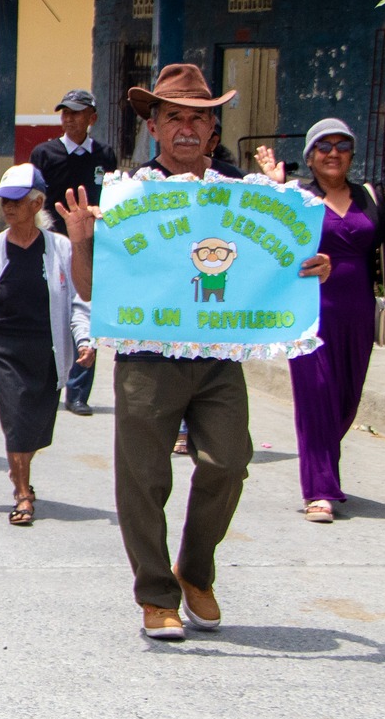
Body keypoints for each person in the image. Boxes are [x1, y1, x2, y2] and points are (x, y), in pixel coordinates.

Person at [57, 63, 329, 642]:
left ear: (212, 130)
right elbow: (92, 290)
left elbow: (277, 259)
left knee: (229, 461)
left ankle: (195, 570)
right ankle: (157, 595)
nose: (187, 128)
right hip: (147, 358)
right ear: (153, 127)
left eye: (198, 119)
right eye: (174, 117)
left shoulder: (242, 195)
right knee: (144, 478)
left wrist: (309, 268)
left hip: (217, 358)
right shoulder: (130, 196)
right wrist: (81, 242)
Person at [253, 120, 385, 522]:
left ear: (351, 154)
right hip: (307, 313)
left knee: (345, 399)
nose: (333, 153)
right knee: (316, 396)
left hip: (357, 313)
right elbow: (268, 242)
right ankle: (320, 491)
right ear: (310, 157)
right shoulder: (297, 196)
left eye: (342, 145)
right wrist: (275, 191)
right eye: (323, 146)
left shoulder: (369, 197)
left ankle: (323, 465)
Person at [0, 166, 93, 525]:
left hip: (47, 349)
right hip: (2, 348)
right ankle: (23, 494)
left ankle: (19, 469)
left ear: (37, 204)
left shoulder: (60, 248)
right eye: (4, 202)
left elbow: (79, 300)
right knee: (17, 417)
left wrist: (84, 339)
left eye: (16, 201)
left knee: (35, 424)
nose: (8, 208)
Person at [29, 89, 120, 415]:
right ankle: (46, 381)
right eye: (64, 112)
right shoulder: (44, 153)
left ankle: (78, 391)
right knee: (51, 310)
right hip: (53, 243)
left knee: (86, 312)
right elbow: (33, 197)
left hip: (90, 246)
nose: (68, 118)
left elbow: (111, 197)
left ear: (91, 118)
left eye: (76, 113)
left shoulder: (105, 155)